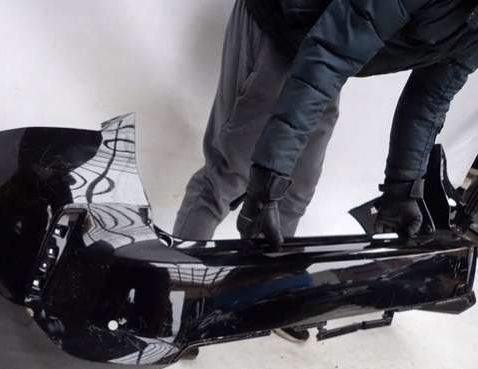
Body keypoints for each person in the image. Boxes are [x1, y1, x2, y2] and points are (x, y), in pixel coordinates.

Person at [173, 0, 478, 342]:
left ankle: (269, 293)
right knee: (232, 172)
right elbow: (332, 53)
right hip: (283, 19)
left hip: (325, 38)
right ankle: (176, 303)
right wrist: (269, 173)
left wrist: (402, 189)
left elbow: (430, 98)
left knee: (298, 185)